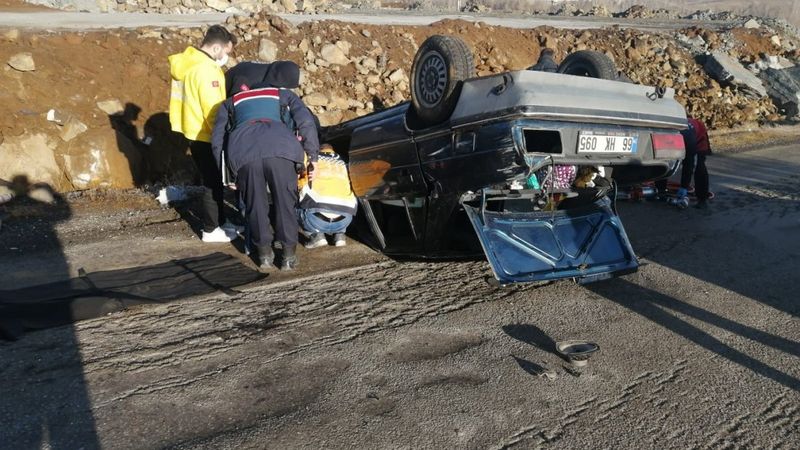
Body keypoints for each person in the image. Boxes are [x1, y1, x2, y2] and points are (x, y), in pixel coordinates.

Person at [211, 61, 319, 270]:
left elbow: (217, 141)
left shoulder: (229, 103)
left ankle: (264, 256)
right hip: (282, 151)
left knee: (255, 204)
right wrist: (312, 156)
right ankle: (287, 256)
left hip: (244, 154)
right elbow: (306, 122)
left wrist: (227, 176)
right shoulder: (283, 96)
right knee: (285, 203)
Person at [168, 25, 240, 243]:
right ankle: (210, 229)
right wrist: (224, 135)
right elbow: (213, 111)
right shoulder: (206, 70)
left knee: (214, 179)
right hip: (207, 133)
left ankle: (221, 221)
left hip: (192, 128)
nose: (226, 56)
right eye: (226, 52)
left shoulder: (188, 62)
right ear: (216, 47)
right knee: (213, 181)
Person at [298, 144, 358, 249]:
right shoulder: (345, 162)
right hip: (345, 220)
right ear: (332, 151)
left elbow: (300, 182)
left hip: (315, 220)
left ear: (318, 149)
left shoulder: (311, 159)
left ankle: (316, 235)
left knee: (293, 203)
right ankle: (340, 235)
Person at [656, 116, 711, 209]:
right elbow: (662, 161)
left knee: (699, 167)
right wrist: (660, 188)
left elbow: (689, 164)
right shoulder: (664, 135)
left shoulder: (689, 139)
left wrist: (684, 187)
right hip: (678, 136)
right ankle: (661, 191)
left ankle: (702, 199)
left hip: (698, 137)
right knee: (664, 160)